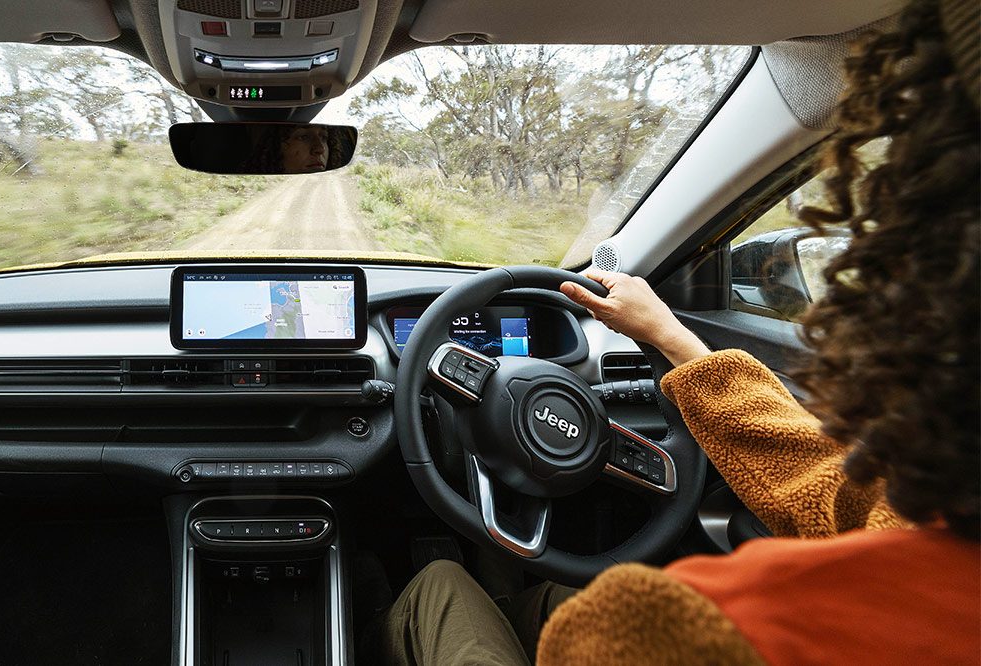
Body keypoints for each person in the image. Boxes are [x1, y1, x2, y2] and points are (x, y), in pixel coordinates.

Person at [372, 0, 980, 663]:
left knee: (436, 584)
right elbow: (836, 487)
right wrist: (674, 339)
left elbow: (838, 489)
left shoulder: (673, 629)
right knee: (547, 599)